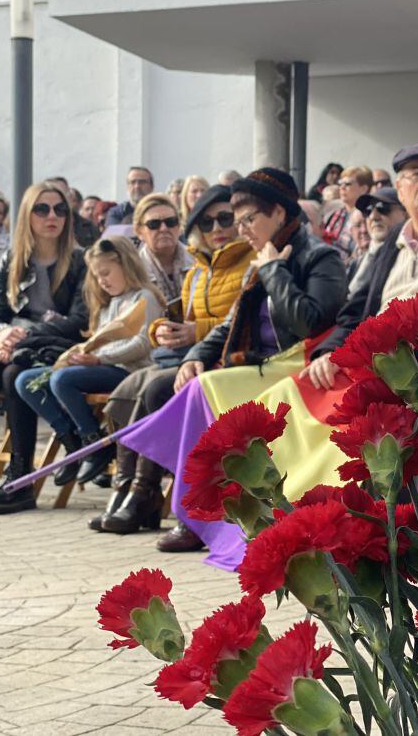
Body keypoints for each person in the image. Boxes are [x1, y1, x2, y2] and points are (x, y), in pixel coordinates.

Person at [115, 167, 346, 556]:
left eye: (248, 219)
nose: (241, 230)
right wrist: (195, 355)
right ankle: (176, 503)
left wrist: (274, 270)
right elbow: (229, 325)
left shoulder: (320, 257)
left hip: (300, 366)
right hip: (261, 364)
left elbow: (312, 320)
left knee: (203, 389)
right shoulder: (260, 260)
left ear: (278, 213)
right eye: (237, 222)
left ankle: (195, 512)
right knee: (185, 383)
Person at [93, 184, 255, 534]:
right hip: (189, 357)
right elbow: (174, 317)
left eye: (225, 219)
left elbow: (244, 323)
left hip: (232, 359)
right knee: (135, 388)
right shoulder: (197, 270)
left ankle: (147, 493)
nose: (217, 229)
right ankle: (132, 490)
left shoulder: (249, 262)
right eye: (207, 223)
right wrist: (160, 331)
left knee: (155, 389)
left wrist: (195, 334)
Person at [0, 182, 87, 515]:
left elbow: (80, 319)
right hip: (12, 344)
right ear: (27, 215)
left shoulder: (80, 259)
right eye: (42, 209)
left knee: (15, 374)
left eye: (59, 209)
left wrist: (24, 335)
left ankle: (21, 479)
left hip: (55, 346)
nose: (52, 216)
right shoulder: (13, 258)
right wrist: (0, 335)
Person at [306, 143, 418, 391]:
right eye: (415, 174)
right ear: (400, 190)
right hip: (374, 363)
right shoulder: (394, 238)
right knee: (300, 388)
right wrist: (332, 351)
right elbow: (357, 309)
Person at [15, 238, 164, 487]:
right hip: (101, 367)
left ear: (125, 264)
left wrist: (98, 358)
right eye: (96, 276)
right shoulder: (107, 304)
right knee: (26, 381)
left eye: (106, 273)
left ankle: (93, 441)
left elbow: (142, 345)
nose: (102, 281)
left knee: (63, 378)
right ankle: (71, 438)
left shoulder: (144, 296)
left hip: (129, 372)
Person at [133, 194, 194, 301]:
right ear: (139, 231)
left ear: (179, 226)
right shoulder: (133, 271)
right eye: (154, 224)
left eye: (171, 222)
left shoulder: (199, 261)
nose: (163, 229)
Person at [347, 187, 407, 295]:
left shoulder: (407, 257)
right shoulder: (357, 263)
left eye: (382, 208)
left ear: (405, 213)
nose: (373, 216)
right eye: (368, 210)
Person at [324, 166, 372, 262]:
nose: (342, 188)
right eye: (340, 183)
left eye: (348, 184)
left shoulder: (370, 216)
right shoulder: (335, 214)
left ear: (364, 189)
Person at [48, 175, 98, 248]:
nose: (62, 198)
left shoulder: (88, 226)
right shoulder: (38, 223)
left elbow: (96, 255)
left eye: (65, 193)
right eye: (56, 193)